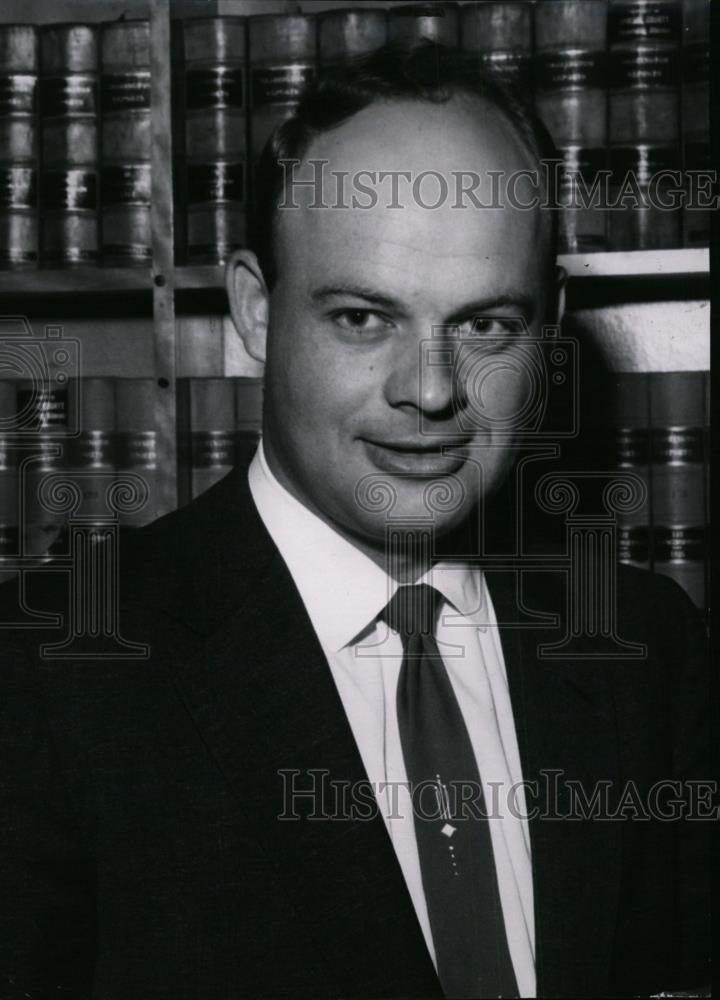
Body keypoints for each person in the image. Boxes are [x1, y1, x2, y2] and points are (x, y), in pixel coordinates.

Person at [0, 45, 711, 1000]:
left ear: (549, 326)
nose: (430, 390)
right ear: (256, 310)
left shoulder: (649, 648)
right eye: (363, 319)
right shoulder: (46, 673)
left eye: (487, 324)